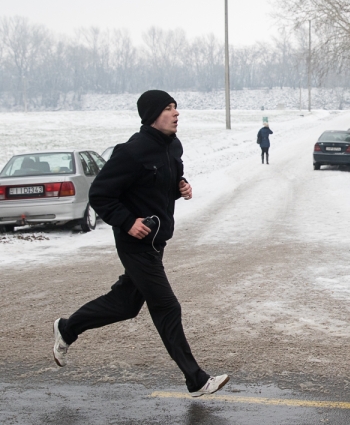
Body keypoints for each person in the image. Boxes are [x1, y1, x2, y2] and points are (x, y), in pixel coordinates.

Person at [52, 90, 229, 397]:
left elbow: (160, 185)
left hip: (157, 242)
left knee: (125, 303)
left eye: (176, 108)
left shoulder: (173, 146)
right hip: (135, 244)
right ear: (151, 115)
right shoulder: (131, 152)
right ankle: (196, 379)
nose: (176, 114)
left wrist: (180, 186)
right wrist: (127, 221)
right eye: (168, 109)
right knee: (167, 306)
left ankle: (67, 328)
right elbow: (100, 195)